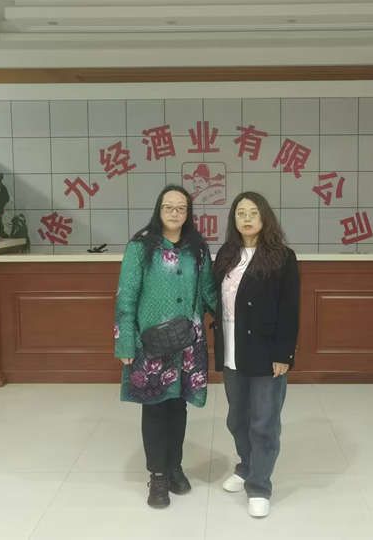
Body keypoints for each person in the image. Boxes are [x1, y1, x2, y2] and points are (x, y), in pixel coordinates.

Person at [114, 185, 216, 509]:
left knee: (178, 406)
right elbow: (126, 297)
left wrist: (237, 315)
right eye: (168, 207)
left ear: (188, 213)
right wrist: (125, 342)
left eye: (181, 208)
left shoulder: (198, 249)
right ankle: (157, 475)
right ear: (159, 210)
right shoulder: (140, 247)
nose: (174, 213)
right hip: (153, 345)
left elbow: (210, 292)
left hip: (187, 345)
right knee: (156, 408)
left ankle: (174, 466)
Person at [212, 191, 300, 518]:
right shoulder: (226, 254)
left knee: (263, 421)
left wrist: (283, 354)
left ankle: (260, 485)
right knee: (237, 418)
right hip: (232, 351)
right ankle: (247, 466)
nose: (246, 218)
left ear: (265, 217)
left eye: (253, 212)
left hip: (265, 353)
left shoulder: (282, 257)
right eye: (240, 213)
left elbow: (290, 309)